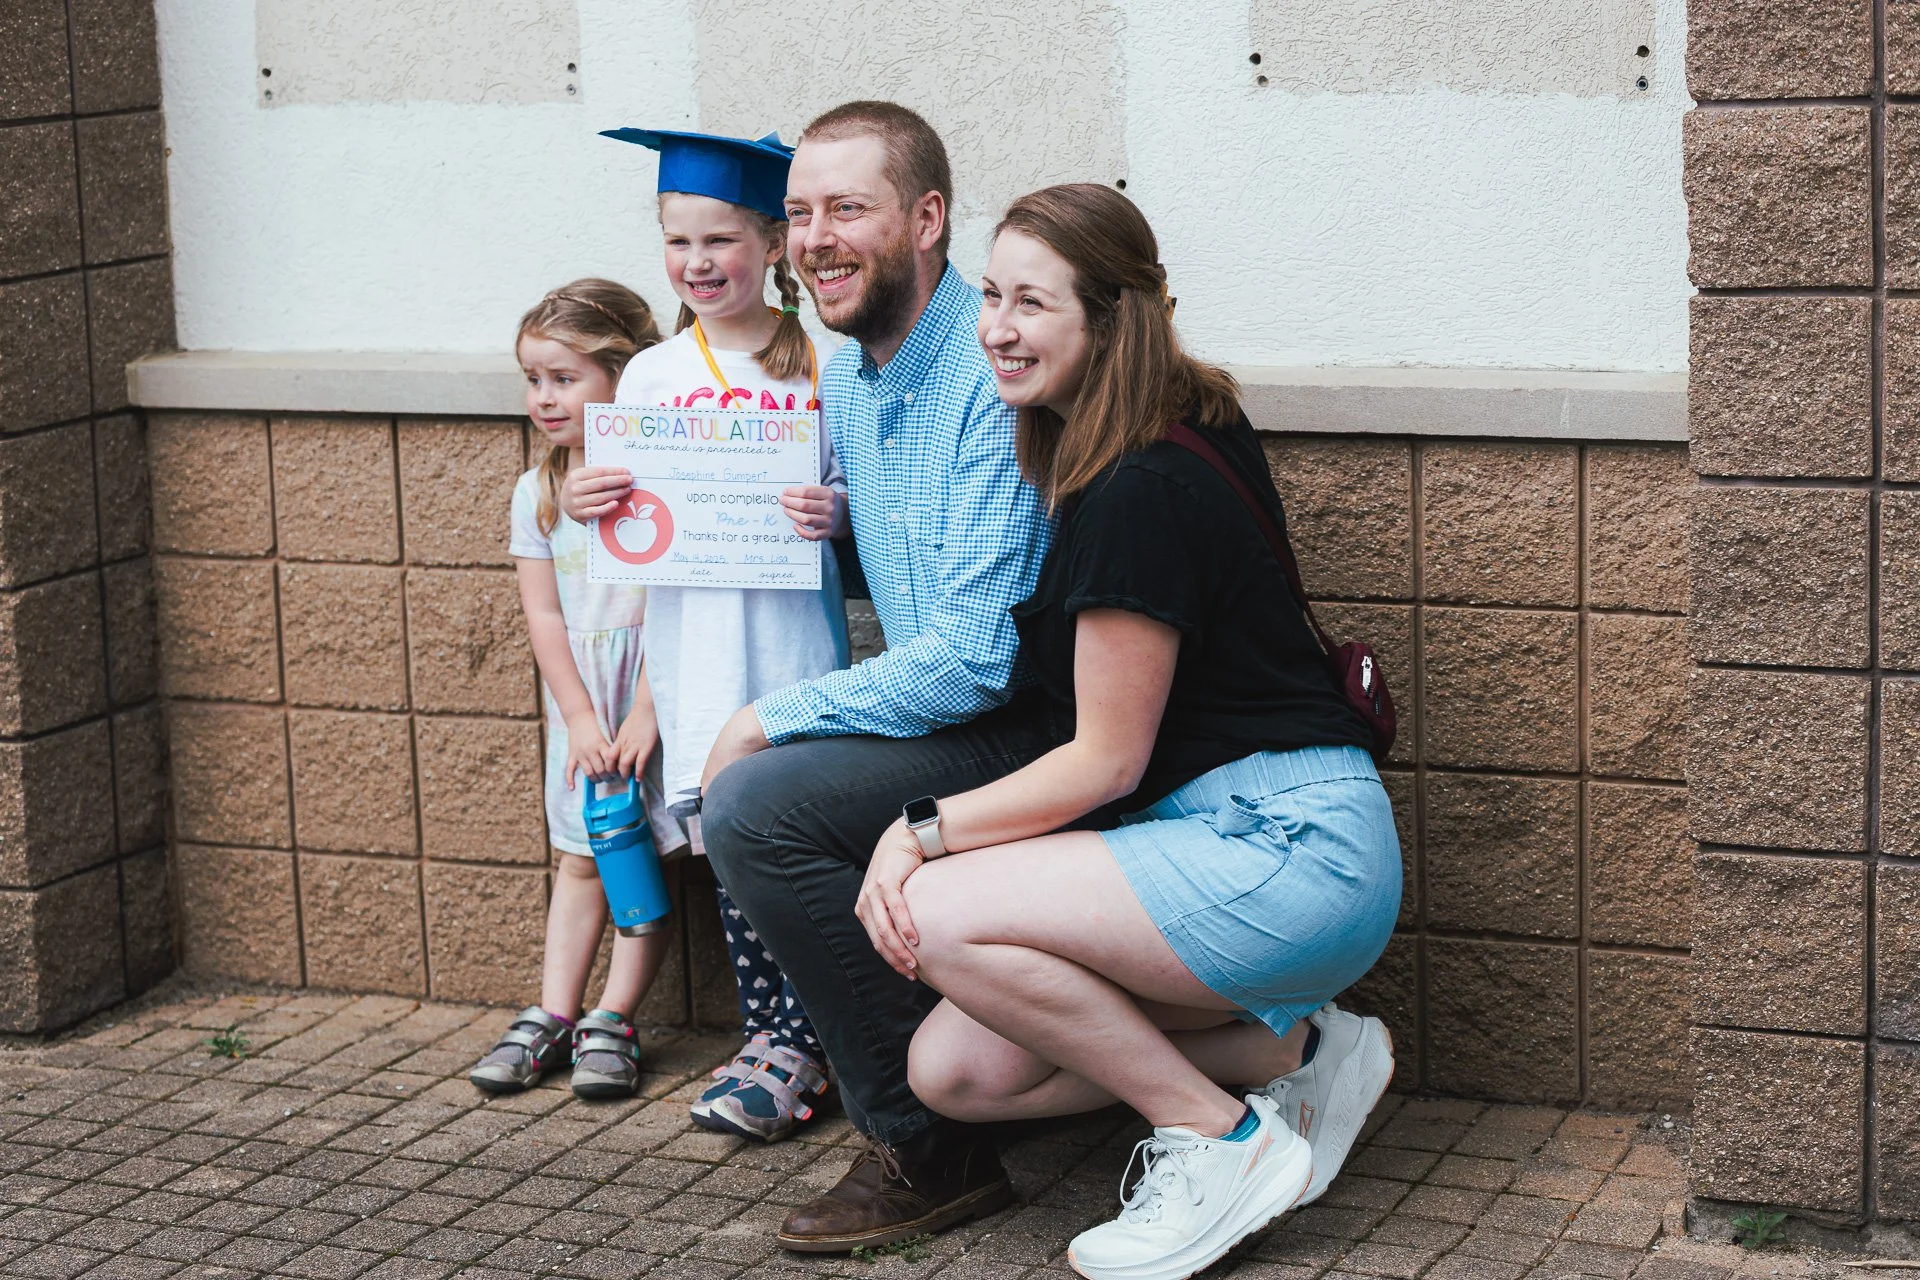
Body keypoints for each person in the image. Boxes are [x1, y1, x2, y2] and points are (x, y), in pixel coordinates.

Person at [853, 184, 1403, 1280]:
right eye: (991, 295)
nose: (997, 329)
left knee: (936, 906)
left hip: (1286, 848)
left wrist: (919, 827)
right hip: (1252, 841)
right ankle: (1295, 1047)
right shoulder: (1181, 422)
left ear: (1109, 321)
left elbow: (1107, 759)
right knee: (955, 1071)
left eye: (1034, 304)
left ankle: (1221, 1138)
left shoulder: (1131, 488)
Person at [567, 101, 1064, 1251]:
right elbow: (897, 572)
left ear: (929, 219)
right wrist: (820, 532)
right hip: (951, 700)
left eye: (848, 208)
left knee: (754, 795)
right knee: (766, 782)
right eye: (798, 213)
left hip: (1032, 722)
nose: (815, 238)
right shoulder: (846, 379)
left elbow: (981, 653)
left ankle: (923, 1143)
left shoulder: (983, 383)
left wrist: (764, 713)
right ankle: (925, 1082)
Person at [582, 126, 851, 1141]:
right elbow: (622, 524)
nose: (698, 262)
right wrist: (590, 495)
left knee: (784, 834)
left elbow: (854, 497)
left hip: (788, 650)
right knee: (726, 850)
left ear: (773, 242)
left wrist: (836, 512)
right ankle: (767, 1033)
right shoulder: (650, 377)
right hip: (693, 656)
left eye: (720, 239)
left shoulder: (823, 366)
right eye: (677, 240)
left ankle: (813, 1032)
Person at [469, 278, 685, 1099]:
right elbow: (545, 618)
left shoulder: (664, 472)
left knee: (642, 862)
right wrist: (583, 719)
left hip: (656, 705)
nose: (544, 397)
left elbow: (682, 599)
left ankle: (614, 1018)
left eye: (565, 378)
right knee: (583, 860)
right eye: (533, 379)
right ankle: (554, 1014)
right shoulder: (539, 493)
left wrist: (644, 711)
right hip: (586, 716)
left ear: (623, 378)